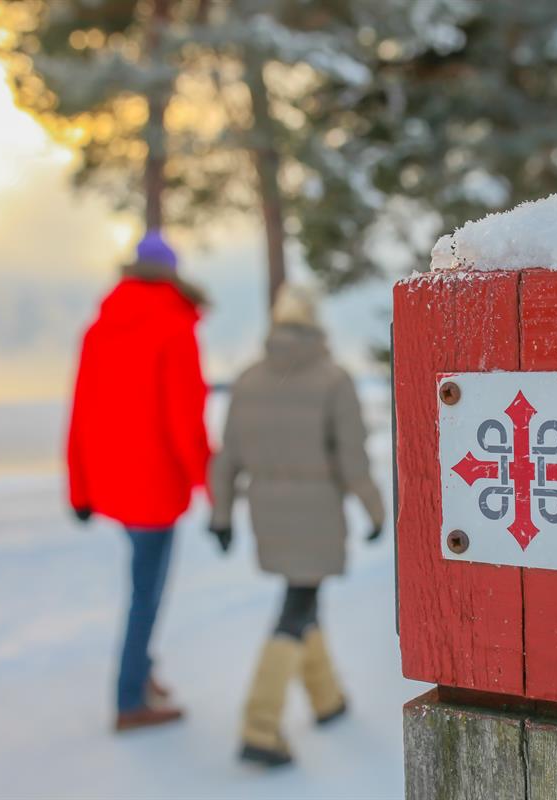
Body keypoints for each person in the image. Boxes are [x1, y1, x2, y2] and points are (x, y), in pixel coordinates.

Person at [209, 282, 385, 768]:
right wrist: (374, 509)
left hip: (266, 510)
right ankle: (260, 726)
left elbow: (227, 459)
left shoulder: (247, 380)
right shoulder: (334, 380)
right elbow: (353, 461)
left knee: (304, 597)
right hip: (317, 512)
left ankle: (326, 698)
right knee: (296, 604)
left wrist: (222, 515)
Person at [66, 230, 211, 732]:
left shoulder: (98, 327)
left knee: (140, 588)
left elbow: (80, 413)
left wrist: (79, 489)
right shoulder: (175, 327)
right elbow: (184, 420)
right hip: (154, 487)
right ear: (171, 271)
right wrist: (212, 489)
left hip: (112, 484)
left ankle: (142, 674)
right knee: (144, 596)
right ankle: (130, 700)